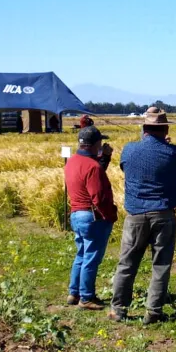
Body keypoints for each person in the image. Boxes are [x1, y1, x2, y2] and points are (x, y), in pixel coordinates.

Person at [110, 107, 176, 325]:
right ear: (165, 129)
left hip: (135, 215)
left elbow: (125, 168)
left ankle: (118, 309)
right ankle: (153, 311)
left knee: (127, 263)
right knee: (161, 264)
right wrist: (167, 147)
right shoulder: (173, 152)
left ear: (144, 128)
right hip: (164, 214)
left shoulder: (129, 150)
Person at [64, 126, 117, 310]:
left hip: (76, 214)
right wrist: (110, 216)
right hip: (92, 217)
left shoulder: (72, 161)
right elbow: (99, 198)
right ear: (96, 144)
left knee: (81, 254)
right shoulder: (93, 167)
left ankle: (74, 292)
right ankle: (86, 297)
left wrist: (104, 158)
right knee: (91, 258)